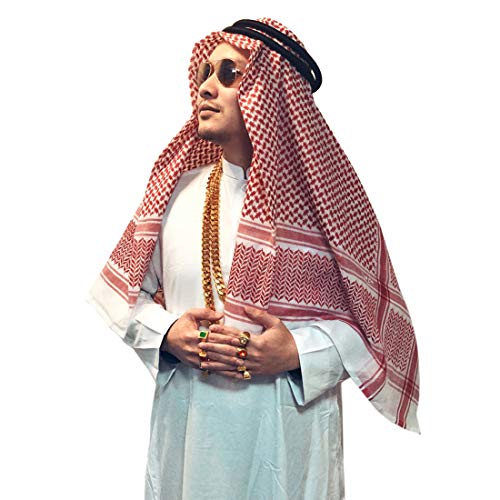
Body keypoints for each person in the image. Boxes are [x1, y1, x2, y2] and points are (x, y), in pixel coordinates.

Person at [89, 18, 420, 500]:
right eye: (205, 73)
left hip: (289, 443)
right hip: (191, 440)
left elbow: (372, 331)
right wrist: (168, 333)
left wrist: (298, 352)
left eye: (228, 74)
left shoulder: (325, 210)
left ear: (272, 92)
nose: (206, 86)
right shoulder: (177, 193)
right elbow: (121, 297)